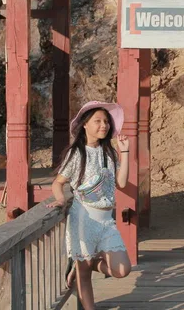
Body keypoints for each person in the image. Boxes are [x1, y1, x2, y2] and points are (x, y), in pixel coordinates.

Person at [47, 101, 131, 308]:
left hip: (106, 221)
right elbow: (58, 182)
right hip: (83, 218)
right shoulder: (76, 154)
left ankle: (87, 262)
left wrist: (125, 152)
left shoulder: (109, 153)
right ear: (85, 124)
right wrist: (60, 199)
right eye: (98, 121)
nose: (104, 125)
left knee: (122, 270)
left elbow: (121, 183)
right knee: (84, 277)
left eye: (106, 122)